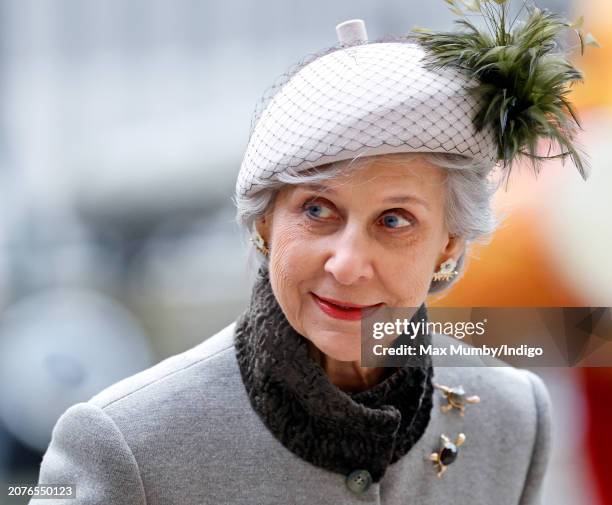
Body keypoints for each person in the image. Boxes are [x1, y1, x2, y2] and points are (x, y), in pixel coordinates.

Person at [31, 2, 590, 503]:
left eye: (395, 221)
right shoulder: (124, 443)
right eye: (317, 210)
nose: (346, 264)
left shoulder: (513, 417)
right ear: (266, 224)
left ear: (448, 244)